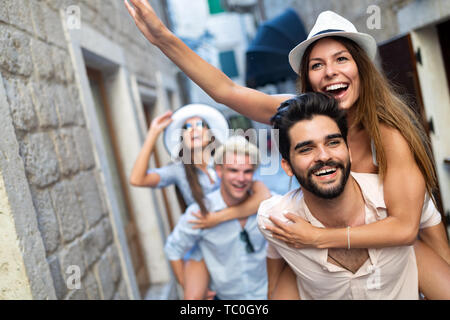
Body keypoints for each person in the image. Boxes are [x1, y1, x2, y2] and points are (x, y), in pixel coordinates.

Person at [124, 2, 450, 293]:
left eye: (341, 59)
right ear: (308, 78)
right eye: (317, 65)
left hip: (406, 234)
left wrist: (318, 238)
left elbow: (406, 228)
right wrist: (163, 38)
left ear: (361, 68)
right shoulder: (296, 114)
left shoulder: (388, 135)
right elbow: (225, 90)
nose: (330, 71)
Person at [258, 92, 450, 299]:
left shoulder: (397, 202)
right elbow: (278, 263)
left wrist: (317, 238)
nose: (323, 156)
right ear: (287, 166)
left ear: (349, 151)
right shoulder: (277, 220)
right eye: (306, 149)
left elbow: (438, 256)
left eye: (332, 143)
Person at [130, 104, 270, 299]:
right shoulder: (178, 170)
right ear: (182, 138)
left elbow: (262, 195)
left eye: (199, 124)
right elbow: (137, 179)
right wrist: (153, 133)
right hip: (205, 236)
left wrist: (218, 218)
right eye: (187, 127)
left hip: (231, 229)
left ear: (210, 132)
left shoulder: (226, 160)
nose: (194, 129)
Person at [164, 136, 268, 300]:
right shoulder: (201, 212)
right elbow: (173, 249)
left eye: (247, 171)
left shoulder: (268, 205)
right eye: (233, 170)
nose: (241, 178)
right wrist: (188, 286)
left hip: (268, 294)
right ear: (219, 171)